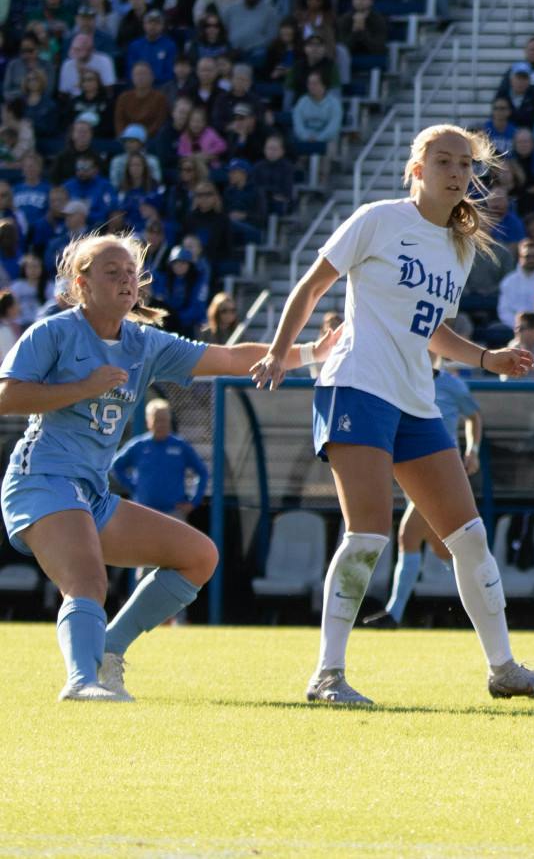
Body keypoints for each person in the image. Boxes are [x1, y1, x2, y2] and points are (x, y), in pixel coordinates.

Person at [251, 124, 534, 705]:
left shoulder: (460, 246)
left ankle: (504, 668)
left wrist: (485, 358)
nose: (455, 171)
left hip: (415, 400)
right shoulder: (377, 218)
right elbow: (313, 285)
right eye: (442, 161)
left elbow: (431, 329)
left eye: (464, 164)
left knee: (470, 538)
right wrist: (278, 350)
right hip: (357, 387)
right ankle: (327, 675)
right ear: (416, 170)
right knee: (368, 534)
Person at [0, 233, 335, 700]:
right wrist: (84, 386)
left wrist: (312, 353)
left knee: (199, 556)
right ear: (82, 283)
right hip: (41, 481)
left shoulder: (143, 342)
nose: (124, 281)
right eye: (111, 272)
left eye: (130, 273)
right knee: (88, 581)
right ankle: (81, 683)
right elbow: (7, 396)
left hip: (89, 493)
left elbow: (229, 357)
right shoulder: (53, 332)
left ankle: (109, 650)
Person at [364, 359, 482, 629]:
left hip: (440, 472)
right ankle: (488, 602)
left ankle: (394, 613)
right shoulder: (399, 380)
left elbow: (474, 416)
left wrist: (472, 450)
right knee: (445, 548)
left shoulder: (451, 385)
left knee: (409, 535)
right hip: (410, 471)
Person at [110, 398, 209, 521]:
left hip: (174, 513)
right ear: (149, 421)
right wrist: (134, 487)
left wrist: (194, 501)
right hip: (143, 511)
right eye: (157, 420)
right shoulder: (139, 445)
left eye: (164, 420)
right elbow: (115, 466)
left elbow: (202, 472)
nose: (161, 425)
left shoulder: (180, 446)